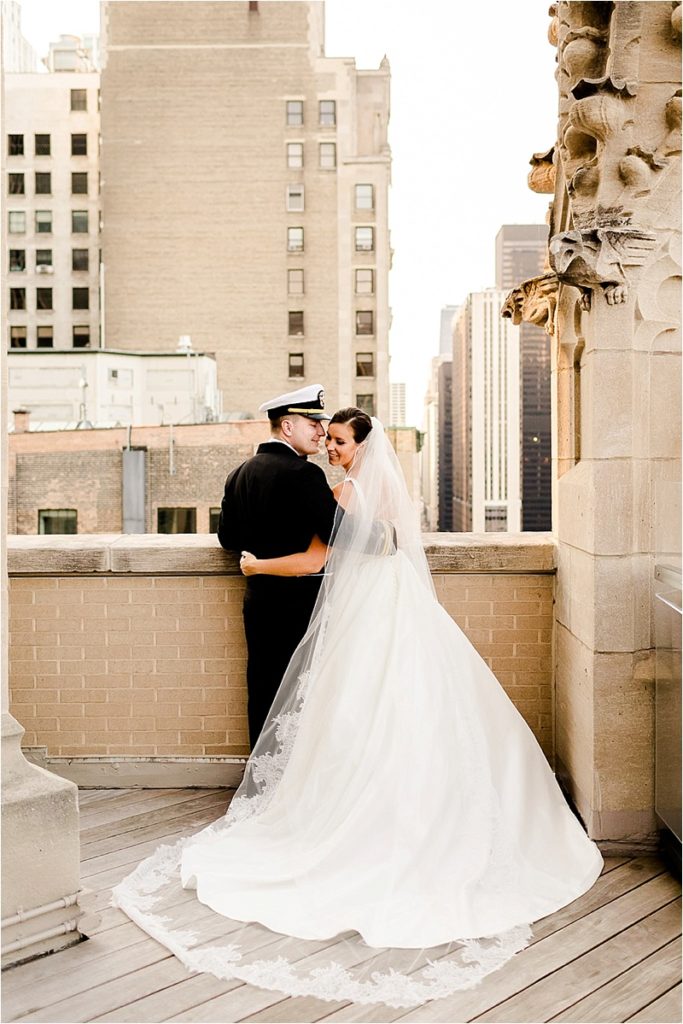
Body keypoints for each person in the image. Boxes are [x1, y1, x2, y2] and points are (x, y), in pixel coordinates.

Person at [113, 409, 603, 1010]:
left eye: (339, 439)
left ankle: (334, 803)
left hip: (339, 607)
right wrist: (373, 536)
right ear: (290, 424)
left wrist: (259, 562)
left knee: (323, 703)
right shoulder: (341, 487)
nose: (330, 444)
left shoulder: (299, 481)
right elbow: (374, 541)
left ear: (362, 445)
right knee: (379, 708)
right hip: (378, 605)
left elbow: (314, 550)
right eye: (324, 434)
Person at [216, 383, 338, 747]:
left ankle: (263, 777)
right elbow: (338, 531)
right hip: (300, 604)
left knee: (264, 687)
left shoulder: (239, 473)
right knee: (303, 691)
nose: (321, 431)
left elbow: (228, 540)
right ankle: (296, 781)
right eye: (313, 423)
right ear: (288, 427)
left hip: (258, 601)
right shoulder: (304, 474)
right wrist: (387, 536)